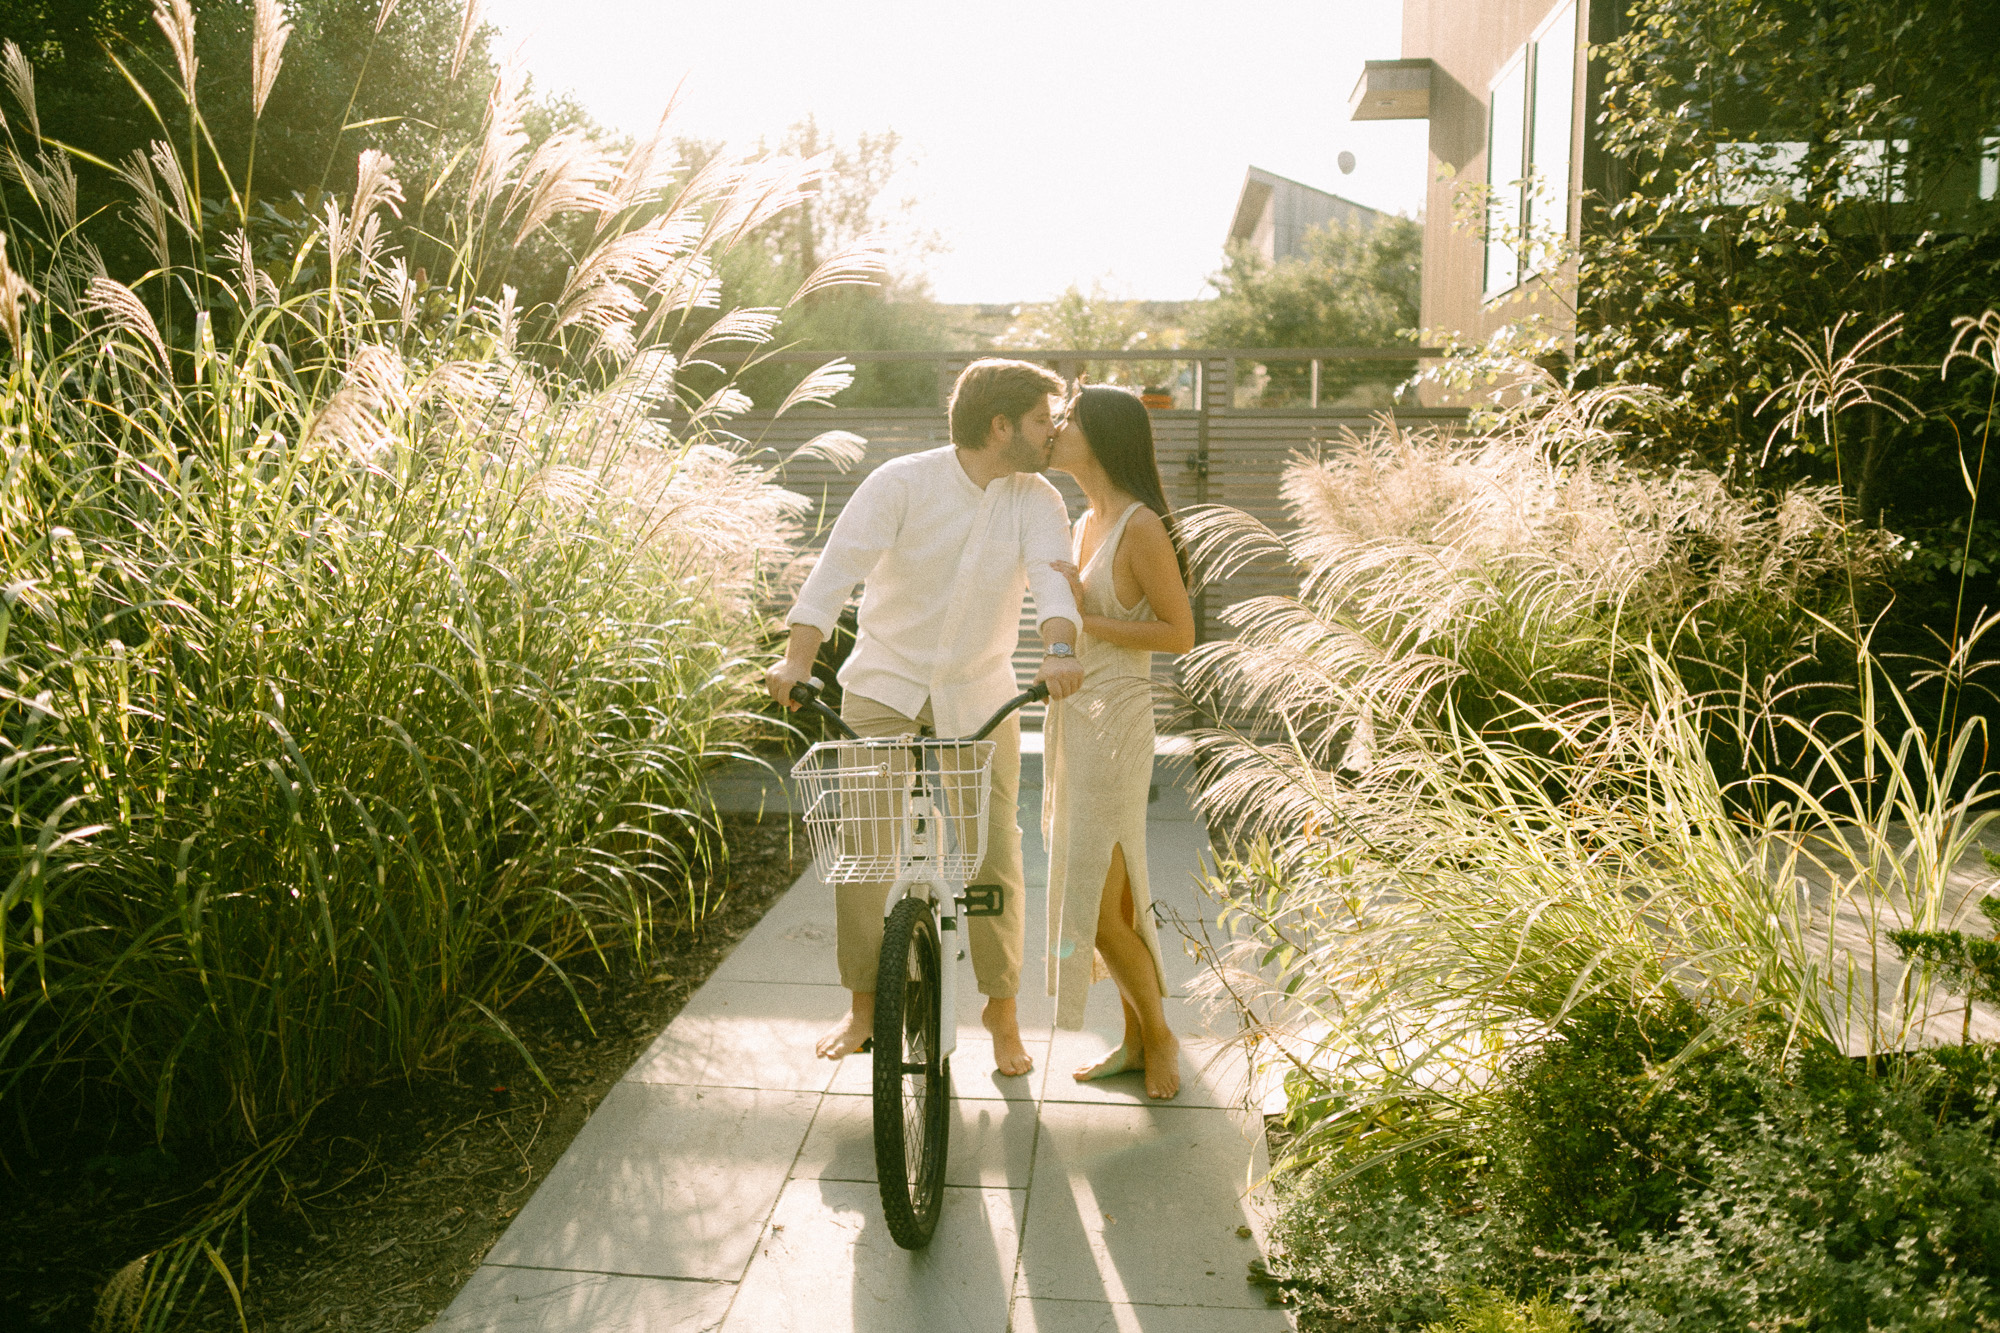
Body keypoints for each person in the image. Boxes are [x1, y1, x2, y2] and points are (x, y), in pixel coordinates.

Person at [766, 358, 1084, 1077]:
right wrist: (797, 657)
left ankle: (1001, 1011)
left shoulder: (1038, 499)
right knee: (866, 842)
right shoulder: (901, 482)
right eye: (1042, 419)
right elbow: (836, 569)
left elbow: (1050, 578)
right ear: (1001, 425)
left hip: (980, 687)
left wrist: (1059, 650)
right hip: (887, 679)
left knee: (992, 847)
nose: (1053, 432)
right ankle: (863, 1002)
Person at [1044, 385, 1196, 1100]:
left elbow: (1179, 633)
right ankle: (1135, 1042)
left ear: (1100, 436)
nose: (1055, 427)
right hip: (1078, 718)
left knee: (1098, 911)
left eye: (1068, 419)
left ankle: (1162, 1038)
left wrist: (1086, 619)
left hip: (1119, 722)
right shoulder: (1083, 521)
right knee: (1120, 897)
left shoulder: (1140, 527)